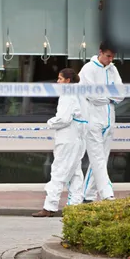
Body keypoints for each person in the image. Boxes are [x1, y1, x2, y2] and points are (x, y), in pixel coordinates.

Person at [32, 68, 87, 217]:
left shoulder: (67, 95)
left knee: (58, 171)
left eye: (60, 79)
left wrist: (50, 122)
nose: (58, 82)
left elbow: (63, 119)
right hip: (79, 138)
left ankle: (49, 207)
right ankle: (76, 206)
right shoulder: (81, 93)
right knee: (75, 173)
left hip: (67, 138)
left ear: (68, 81)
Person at [79, 41, 124, 202]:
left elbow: (121, 94)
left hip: (109, 119)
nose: (110, 59)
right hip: (92, 120)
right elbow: (92, 95)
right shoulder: (88, 69)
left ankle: (88, 195)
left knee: (101, 159)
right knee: (98, 158)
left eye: (113, 57)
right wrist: (109, 96)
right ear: (100, 52)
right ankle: (107, 193)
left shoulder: (113, 69)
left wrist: (105, 96)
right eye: (108, 56)